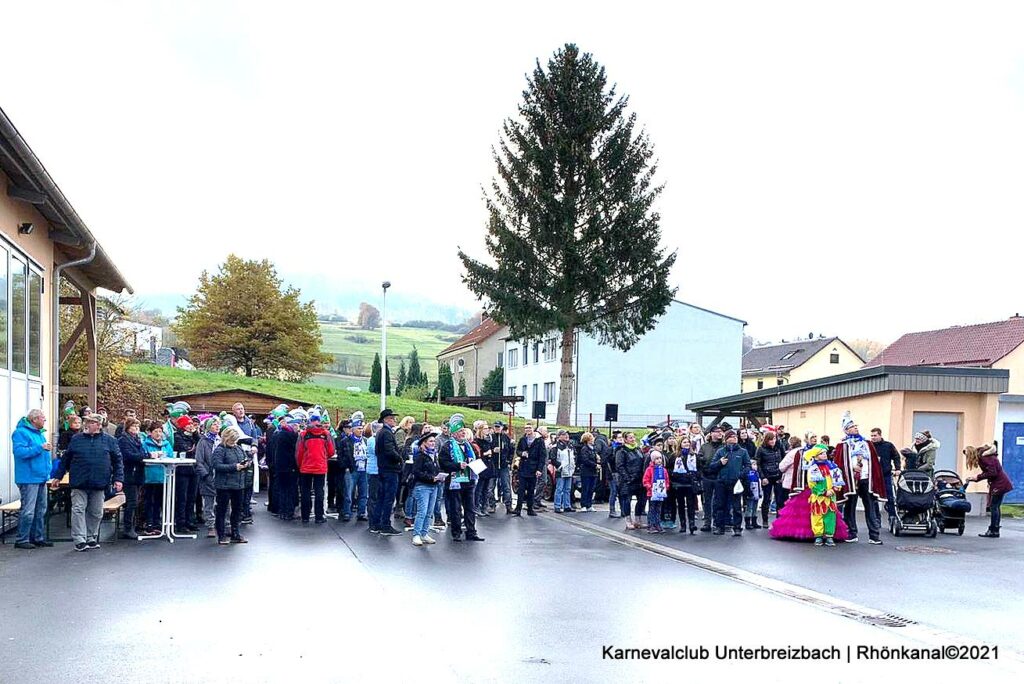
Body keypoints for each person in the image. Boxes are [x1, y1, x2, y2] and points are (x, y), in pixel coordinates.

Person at [51, 414, 124, 552]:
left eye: (90, 422)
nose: (87, 424)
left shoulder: (110, 440)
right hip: (79, 481)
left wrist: (118, 478)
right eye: (86, 422)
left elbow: (117, 461)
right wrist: (58, 476)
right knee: (78, 509)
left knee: (96, 512)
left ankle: (91, 537)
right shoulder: (76, 439)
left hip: (100, 481)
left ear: (98, 425)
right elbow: (66, 459)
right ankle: (79, 539)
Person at [833, 412, 886, 545]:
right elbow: (839, 464)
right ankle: (851, 533)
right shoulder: (842, 445)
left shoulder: (867, 444)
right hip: (851, 480)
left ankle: (874, 535)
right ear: (846, 430)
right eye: (852, 426)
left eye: (856, 426)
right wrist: (852, 468)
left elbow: (874, 462)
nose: (855, 428)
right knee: (850, 507)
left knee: (870, 507)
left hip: (866, 479)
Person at [12, 409, 54, 549]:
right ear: (34, 419)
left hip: (41, 477)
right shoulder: (20, 433)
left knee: (41, 509)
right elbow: (19, 452)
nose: (44, 420)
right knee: (29, 510)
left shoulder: (40, 434)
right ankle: (22, 539)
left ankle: (37, 537)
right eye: (42, 418)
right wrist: (40, 448)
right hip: (28, 477)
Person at [438, 417, 484, 541]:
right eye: (460, 431)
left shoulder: (469, 445)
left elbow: (476, 458)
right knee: (456, 508)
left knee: (470, 508)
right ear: (453, 434)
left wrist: (476, 465)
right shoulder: (447, 446)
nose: (463, 433)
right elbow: (443, 463)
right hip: (455, 481)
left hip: (469, 480)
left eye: (464, 430)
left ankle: (471, 532)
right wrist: (458, 466)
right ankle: (456, 532)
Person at [966, 443, 1014, 538]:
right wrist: (978, 478)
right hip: (1001, 483)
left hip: (999, 484)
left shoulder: (984, 458)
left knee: (994, 507)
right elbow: (990, 472)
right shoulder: (987, 457)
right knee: (996, 507)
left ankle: (993, 530)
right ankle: (994, 530)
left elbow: (992, 473)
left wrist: (977, 477)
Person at [708, 430, 750, 537]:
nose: (734, 438)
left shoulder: (743, 452)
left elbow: (748, 465)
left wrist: (741, 475)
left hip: (736, 482)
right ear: (726, 439)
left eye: (735, 436)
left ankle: (737, 528)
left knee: (737, 506)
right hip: (721, 482)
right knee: (720, 505)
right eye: (731, 436)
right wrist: (720, 463)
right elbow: (712, 466)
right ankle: (719, 527)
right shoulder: (720, 451)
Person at [296, 410, 335, 524]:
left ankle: (305, 516)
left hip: (306, 467)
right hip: (320, 467)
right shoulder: (326, 434)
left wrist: (300, 465)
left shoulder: (304, 434)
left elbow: (299, 452)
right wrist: (323, 457)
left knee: (305, 492)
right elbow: (331, 451)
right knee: (319, 492)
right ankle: (319, 516)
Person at [212, 426, 249, 544]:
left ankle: (235, 533)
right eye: (232, 440)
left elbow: (245, 459)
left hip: (238, 484)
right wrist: (234, 467)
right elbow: (216, 465)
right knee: (222, 510)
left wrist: (246, 464)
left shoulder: (239, 448)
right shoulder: (220, 450)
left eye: (235, 440)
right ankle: (221, 535)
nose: (234, 442)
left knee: (237, 510)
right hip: (224, 485)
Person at [371, 409, 403, 536]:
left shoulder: (381, 432)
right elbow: (390, 451)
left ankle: (376, 524)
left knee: (381, 497)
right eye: (391, 418)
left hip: (383, 468)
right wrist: (399, 459)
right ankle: (385, 525)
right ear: (385, 420)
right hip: (390, 469)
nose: (394, 420)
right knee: (388, 498)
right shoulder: (387, 433)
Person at [410, 433, 446, 546]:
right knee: (422, 511)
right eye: (430, 441)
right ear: (423, 443)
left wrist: (440, 476)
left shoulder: (434, 455)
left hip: (434, 486)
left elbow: (436, 469)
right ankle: (416, 535)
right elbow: (416, 472)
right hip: (422, 486)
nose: (433, 443)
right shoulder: (420, 456)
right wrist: (431, 477)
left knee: (429, 512)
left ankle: (424, 533)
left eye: (434, 441)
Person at [231, 402, 262, 524]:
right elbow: (235, 438)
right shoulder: (232, 423)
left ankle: (246, 511)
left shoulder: (249, 423)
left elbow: (254, 437)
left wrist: (254, 445)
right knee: (239, 485)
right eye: (238, 409)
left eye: (242, 408)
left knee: (248, 484)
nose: (241, 411)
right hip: (237, 455)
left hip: (250, 456)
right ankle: (238, 512)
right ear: (233, 412)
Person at [141, 421, 174, 536]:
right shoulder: (145, 444)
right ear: (150, 433)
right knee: (149, 500)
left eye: (160, 431)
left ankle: (157, 522)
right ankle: (149, 523)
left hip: (164, 476)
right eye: (155, 431)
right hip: (150, 476)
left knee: (159, 501)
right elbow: (143, 456)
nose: (158, 433)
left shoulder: (166, 444)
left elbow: (171, 456)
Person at [116, 418, 146, 539]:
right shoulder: (123, 440)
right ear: (128, 427)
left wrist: (143, 455)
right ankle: (128, 528)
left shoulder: (137, 439)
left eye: (137, 426)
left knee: (135, 501)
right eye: (134, 426)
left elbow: (142, 452)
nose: (136, 428)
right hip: (129, 474)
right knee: (131, 502)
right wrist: (144, 456)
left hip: (137, 473)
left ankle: (132, 525)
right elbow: (128, 456)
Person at [274, 409, 305, 521]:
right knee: (290, 490)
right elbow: (295, 452)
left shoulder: (280, 434)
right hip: (289, 467)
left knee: (283, 490)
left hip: (280, 467)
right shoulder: (290, 436)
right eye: (297, 425)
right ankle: (289, 512)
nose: (298, 428)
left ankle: (283, 511)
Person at [193, 416, 221, 538]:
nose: (217, 426)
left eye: (218, 424)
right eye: (214, 424)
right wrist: (205, 475)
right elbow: (199, 460)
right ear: (209, 427)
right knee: (209, 503)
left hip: (220, 476)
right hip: (208, 476)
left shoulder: (221, 440)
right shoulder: (203, 442)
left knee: (223, 502)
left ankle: (224, 524)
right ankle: (210, 525)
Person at [755, 429, 786, 527]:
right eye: (771, 439)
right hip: (767, 477)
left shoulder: (779, 447)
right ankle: (765, 520)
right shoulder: (761, 449)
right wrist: (762, 477)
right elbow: (758, 464)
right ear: (766, 440)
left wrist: (782, 474)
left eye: (774, 439)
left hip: (778, 476)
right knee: (767, 499)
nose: (773, 441)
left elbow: (784, 460)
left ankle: (779, 520)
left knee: (779, 500)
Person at [869, 428, 902, 523]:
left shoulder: (888, 445)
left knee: (890, 497)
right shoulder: (869, 446)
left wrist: (898, 469)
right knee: (873, 498)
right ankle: (876, 518)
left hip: (886, 475)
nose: (873, 437)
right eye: (872, 436)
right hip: (873, 476)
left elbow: (896, 457)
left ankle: (892, 517)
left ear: (880, 435)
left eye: (875, 435)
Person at [614, 432, 646, 531]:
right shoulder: (621, 451)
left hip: (639, 479)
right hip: (627, 481)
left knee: (642, 500)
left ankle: (638, 519)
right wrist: (627, 478)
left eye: (633, 437)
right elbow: (620, 466)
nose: (633, 439)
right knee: (627, 501)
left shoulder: (638, 449)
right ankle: (628, 520)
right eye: (630, 438)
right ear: (625, 439)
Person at [669, 436, 700, 534]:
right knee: (681, 505)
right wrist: (675, 475)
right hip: (679, 484)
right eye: (684, 442)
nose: (687, 444)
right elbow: (669, 469)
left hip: (690, 483)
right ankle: (683, 525)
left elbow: (699, 468)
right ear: (680, 444)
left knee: (691, 505)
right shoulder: (674, 456)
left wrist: (695, 476)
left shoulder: (694, 456)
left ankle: (692, 524)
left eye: (688, 442)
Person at [697, 425, 725, 531]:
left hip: (719, 476)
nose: (719, 433)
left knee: (719, 501)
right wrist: (703, 466)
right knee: (707, 501)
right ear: (711, 433)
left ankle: (717, 522)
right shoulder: (705, 446)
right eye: (717, 431)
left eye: (721, 431)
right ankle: (707, 522)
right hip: (707, 476)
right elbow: (699, 460)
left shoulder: (724, 446)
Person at [513, 423, 542, 517]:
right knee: (521, 489)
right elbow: (518, 451)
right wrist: (522, 453)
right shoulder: (522, 439)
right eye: (526, 428)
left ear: (533, 429)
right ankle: (518, 509)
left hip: (533, 468)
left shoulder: (539, 441)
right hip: (523, 467)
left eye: (529, 428)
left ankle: (530, 509)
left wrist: (539, 469)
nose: (527, 430)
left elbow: (542, 456)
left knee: (531, 489)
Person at [642, 449, 669, 534]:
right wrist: (650, 487)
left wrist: (666, 487)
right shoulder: (649, 469)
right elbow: (645, 480)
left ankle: (657, 524)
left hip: (660, 493)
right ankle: (651, 524)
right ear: (653, 460)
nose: (659, 460)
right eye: (657, 459)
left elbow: (666, 480)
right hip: (652, 493)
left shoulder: (663, 470)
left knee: (658, 509)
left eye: (660, 458)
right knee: (652, 509)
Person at [549, 429, 576, 513]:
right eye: (564, 435)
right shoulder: (555, 447)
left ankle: (567, 505)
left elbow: (574, 456)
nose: (566, 436)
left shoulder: (570, 446)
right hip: (560, 471)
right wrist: (560, 466)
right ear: (559, 436)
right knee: (559, 489)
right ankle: (557, 506)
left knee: (568, 489)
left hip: (569, 470)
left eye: (566, 434)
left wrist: (573, 465)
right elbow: (553, 459)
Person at [491, 421, 514, 514]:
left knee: (506, 486)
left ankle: (509, 506)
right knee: (490, 487)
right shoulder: (491, 438)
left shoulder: (506, 438)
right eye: (496, 427)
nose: (497, 428)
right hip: (493, 465)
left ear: (501, 428)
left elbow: (511, 450)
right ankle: (491, 505)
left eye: (498, 427)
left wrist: (509, 461)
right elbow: (486, 449)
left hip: (504, 466)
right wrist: (493, 451)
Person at [472, 421, 494, 517]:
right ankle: (477, 506)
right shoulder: (476, 441)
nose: (487, 430)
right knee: (479, 488)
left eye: (487, 428)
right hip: (480, 465)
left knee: (486, 488)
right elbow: (476, 454)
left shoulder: (487, 440)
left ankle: (484, 506)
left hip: (488, 465)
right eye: (485, 428)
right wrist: (485, 453)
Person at [577, 432, 599, 511]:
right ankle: (583, 505)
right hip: (586, 472)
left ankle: (589, 505)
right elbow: (585, 460)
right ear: (588, 440)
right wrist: (595, 465)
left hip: (593, 472)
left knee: (591, 489)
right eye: (592, 439)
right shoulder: (584, 449)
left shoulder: (593, 449)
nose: (593, 440)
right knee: (585, 489)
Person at [606, 430, 621, 518]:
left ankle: (623, 510)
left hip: (620, 473)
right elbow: (608, 461)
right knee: (614, 491)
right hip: (613, 473)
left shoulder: (622, 448)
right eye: (619, 437)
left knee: (621, 492)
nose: (621, 439)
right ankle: (612, 510)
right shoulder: (611, 449)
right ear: (615, 439)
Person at [744, 461, 762, 530]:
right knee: (749, 508)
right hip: (750, 492)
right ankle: (748, 523)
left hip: (757, 492)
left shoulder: (757, 473)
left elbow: (759, 483)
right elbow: (747, 484)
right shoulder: (748, 473)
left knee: (755, 507)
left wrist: (760, 493)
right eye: (753, 464)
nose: (755, 466)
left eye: (756, 464)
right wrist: (749, 493)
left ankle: (754, 522)